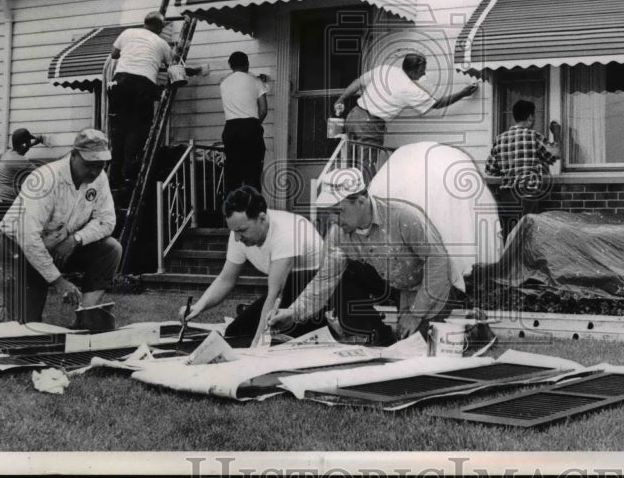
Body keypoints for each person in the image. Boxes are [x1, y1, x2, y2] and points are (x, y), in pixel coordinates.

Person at [270, 167, 456, 343]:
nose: (333, 219)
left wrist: (416, 313)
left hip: (439, 289)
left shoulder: (402, 216)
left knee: (428, 350)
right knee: (405, 347)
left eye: (338, 211)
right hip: (405, 291)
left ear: (361, 200)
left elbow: (438, 261)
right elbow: (325, 279)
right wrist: (294, 312)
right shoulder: (338, 235)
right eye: (330, 213)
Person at [0, 129, 122, 325]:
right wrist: (58, 282)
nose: (95, 171)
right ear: (74, 155)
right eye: (89, 165)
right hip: (13, 247)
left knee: (110, 249)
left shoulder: (99, 178)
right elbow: (28, 237)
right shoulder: (46, 178)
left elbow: (106, 220)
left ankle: (87, 317)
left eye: (101, 164)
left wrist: (75, 239)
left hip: (54, 243)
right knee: (23, 329)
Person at [178, 186, 322, 346]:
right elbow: (226, 279)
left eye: (242, 230)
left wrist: (256, 346)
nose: (237, 238)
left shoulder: (286, 232)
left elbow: (275, 295)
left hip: (316, 289)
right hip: (288, 289)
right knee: (235, 332)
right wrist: (199, 306)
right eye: (234, 231)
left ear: (262, 218)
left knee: (274, 341)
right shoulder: (238, 233)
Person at [332, 53, 479, 148]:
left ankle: (349, 193)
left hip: (353, 116)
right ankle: (362, 196)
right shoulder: (409, 89)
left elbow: (358, 82)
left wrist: (341, 99)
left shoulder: (385, 69)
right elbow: (437, 104)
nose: (424, 73)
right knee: (367, 166)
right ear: (413, 71)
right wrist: (463, 93)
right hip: (369, 125)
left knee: (348, 162)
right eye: (422, 70)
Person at [107, 11, 174, 189]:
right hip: (143, 85)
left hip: (119, 82)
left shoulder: (128, 33)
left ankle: (114, 176)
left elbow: (114, 54)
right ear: (160, 28)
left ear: (144, 23)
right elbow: (173, 68)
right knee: (138, 129)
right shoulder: (162, 44)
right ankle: (129, 172)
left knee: (118, 130)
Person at [485, 100, 562, 237]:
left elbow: (490, 169)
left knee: (509, 236)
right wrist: (556, 133)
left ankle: (509, 259)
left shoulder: (500, 139)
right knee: (527, 236)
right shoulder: (533, 136)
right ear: (530, 117)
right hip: (527, 194)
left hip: (507, 195)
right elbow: (554, 154)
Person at [220, 52, 269, 192]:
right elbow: (264, 109)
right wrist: (254, 124)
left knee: (233, 177)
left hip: (231, 129)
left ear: (230, 65)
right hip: (251, 129)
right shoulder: (256, 81)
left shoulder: (224, 83)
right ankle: (253, 211)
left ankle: (232, 211)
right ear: (247, 64)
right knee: (252, 176)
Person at [0, 128, 45, 204]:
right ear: (24, 145)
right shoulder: (20, 160)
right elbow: (43, 172)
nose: (30, 143)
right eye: (29, 142)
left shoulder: (8, 153)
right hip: (6, 201)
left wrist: (34, 143)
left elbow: (21, 149)